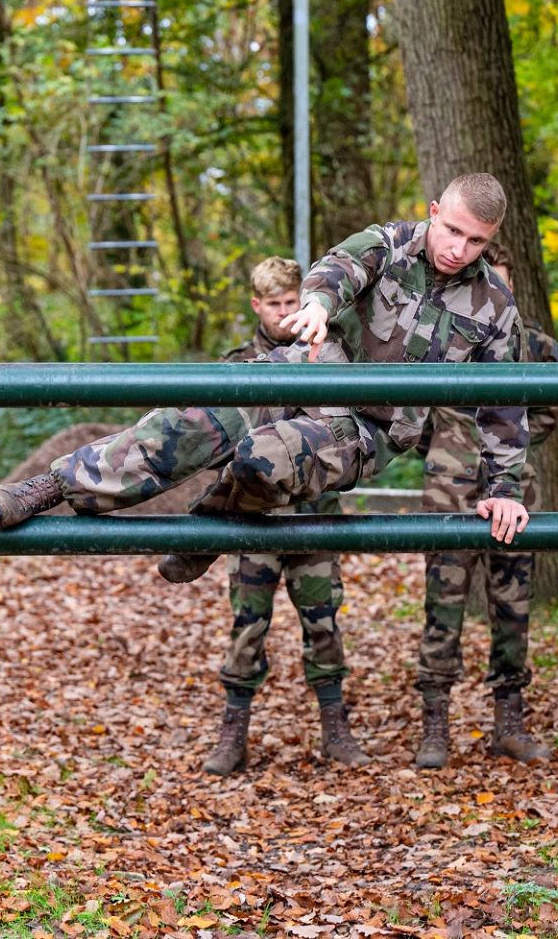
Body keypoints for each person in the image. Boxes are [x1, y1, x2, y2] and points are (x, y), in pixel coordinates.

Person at [0, 170, 531, 579]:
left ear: (492, 238)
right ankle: (48, 487)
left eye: (476, 240)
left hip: (363, 429)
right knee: (190, 422)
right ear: (434, 210)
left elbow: (505, 405)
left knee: (263, 459)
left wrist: (505, 488)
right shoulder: (388, 244)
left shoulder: (496, 305)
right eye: (452, 230)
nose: (459, 249)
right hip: (308, 374)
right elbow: (338, 268)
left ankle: (206, 532)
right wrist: (316, 304)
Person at [202, 258, 368, 775]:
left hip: (315, 514)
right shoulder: (237, 363)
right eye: (273, 304)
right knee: (247, 623)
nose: (282, 312)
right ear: (257, 305)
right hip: (254, 519)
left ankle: (335, 730)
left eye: (290, 302)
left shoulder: (327, 352)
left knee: (323, 622)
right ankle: (233, 734)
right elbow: (215, 437)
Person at [413, 258, 558, 769]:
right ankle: (435, 725)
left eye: (503, 277)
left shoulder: (537, 346)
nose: (494, 285)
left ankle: (509, 722)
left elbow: (548, 413)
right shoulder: (440, 332)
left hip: (515, 494)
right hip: (448, 487)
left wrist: (502, 443)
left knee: (513, 606)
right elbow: (413, 412)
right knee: (443, 606)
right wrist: (449, 447)